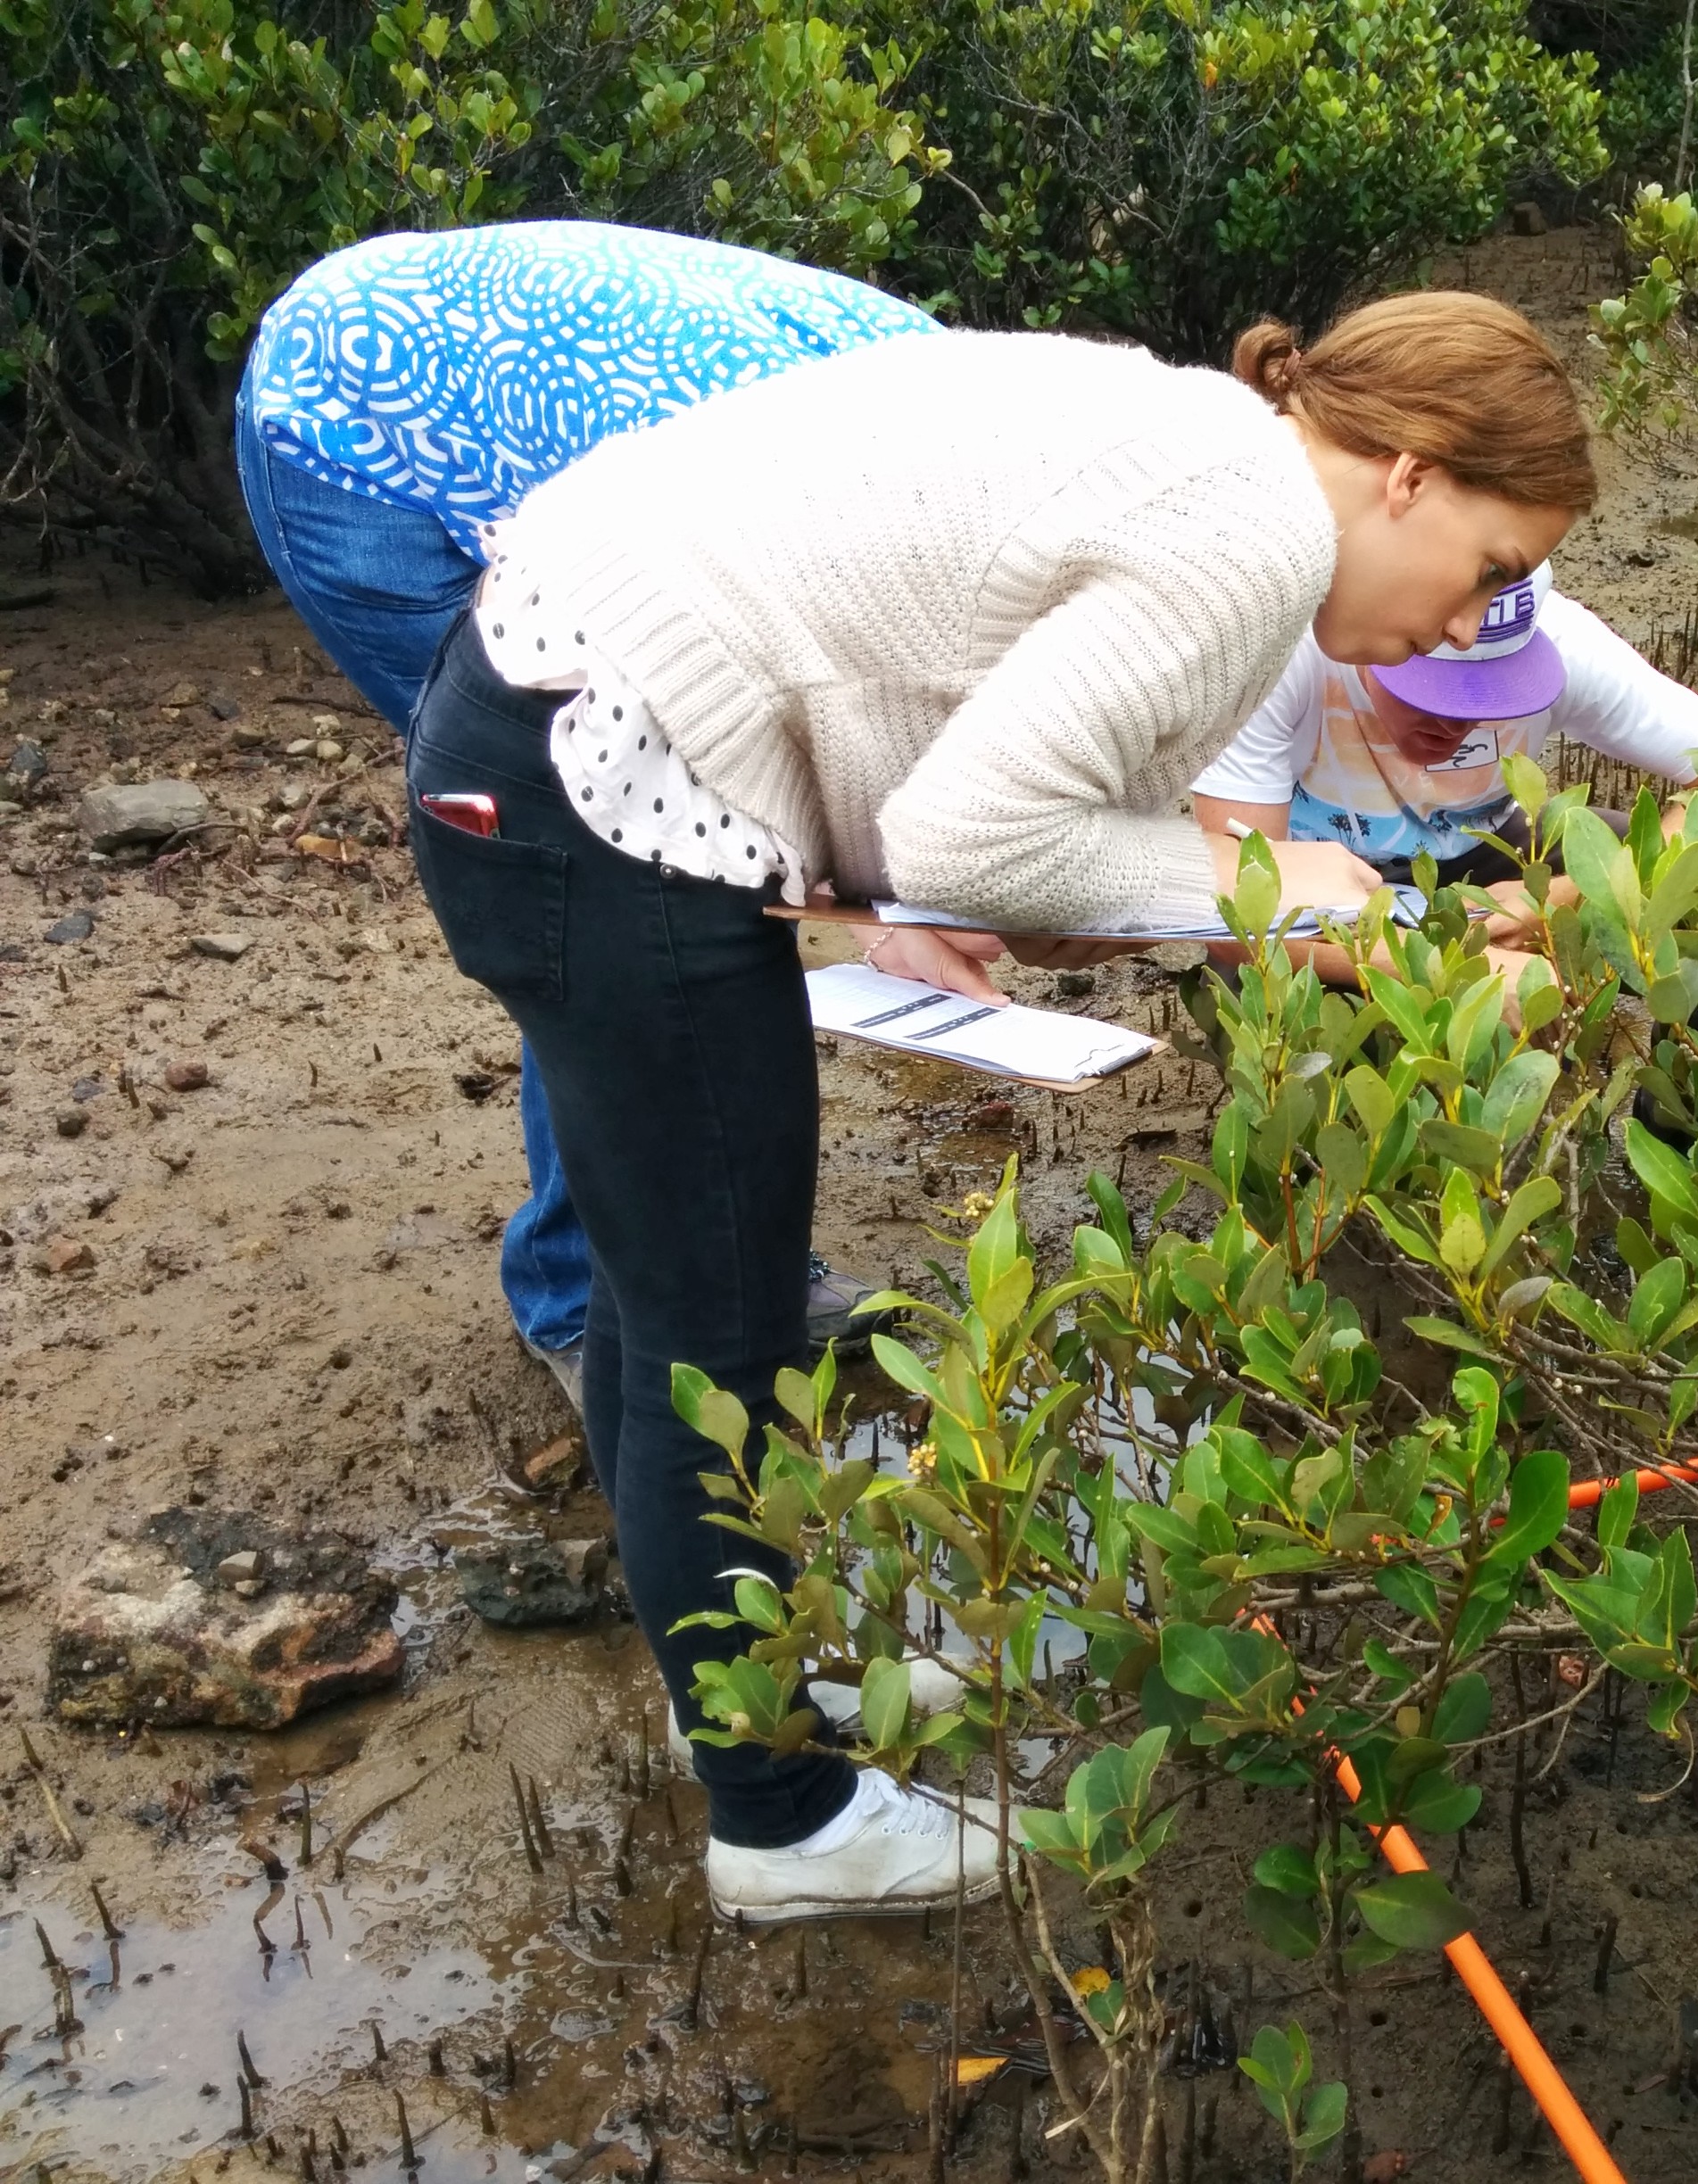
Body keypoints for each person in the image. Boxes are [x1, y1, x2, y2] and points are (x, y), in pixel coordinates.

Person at [401, 285, 1591, 1920]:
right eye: (1490, 570)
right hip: (605, 786)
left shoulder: (1204, 445)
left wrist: (1241, 892)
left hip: (533, 734)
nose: (1475, 625)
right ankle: (780, 1820)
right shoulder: (1249, 534)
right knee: (712, 1320)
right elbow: (975, 843)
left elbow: (981, 833)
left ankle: (739, 1694)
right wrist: (1305, 891)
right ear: (1406, 475)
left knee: (650, 1280)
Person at [235, 222, 932, 1407]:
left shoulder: (950, 428)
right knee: (597, 870)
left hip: (523, 426)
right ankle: (583, 1295)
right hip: (353, 432)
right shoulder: (780, 493)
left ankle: (704, 1266)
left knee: (686, 873)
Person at [1189, 559, 1698, 980]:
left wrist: (1576, 894)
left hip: (1483, 847)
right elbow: (1232, 921)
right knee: (1272, 989)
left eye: (1490, 693)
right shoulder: (1280, 653)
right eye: (1428, 690)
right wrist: (1440, 970)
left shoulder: (1565, 642)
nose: (1455, 724)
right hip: (1316, 882)